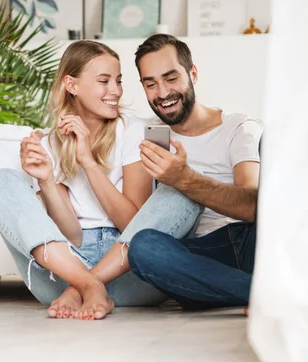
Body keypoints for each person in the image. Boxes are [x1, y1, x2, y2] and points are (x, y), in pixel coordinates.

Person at [0, 40, 202, 320]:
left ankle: (85, 286)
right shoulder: (49, 142)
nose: (116, 91)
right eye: (104, 81)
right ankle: (88, 285)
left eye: (118, 81)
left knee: (186, 188)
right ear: (71, 85)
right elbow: (71, 235)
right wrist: (46, 181)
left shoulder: (141, 130)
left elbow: (135, 227)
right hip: (63, 273)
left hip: (132, 274)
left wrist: (87, 160)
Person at [94, 33, 262, 310]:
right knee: (144, 247)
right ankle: (256, 292)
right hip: (191, 255)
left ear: (193, 74)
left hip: (243, 241)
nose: (162, 93)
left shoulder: (238, 128)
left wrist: (184, 180)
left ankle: (233, 290)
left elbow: (252, 206)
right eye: (151, 84)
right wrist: (47, 139)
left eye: (171, 79)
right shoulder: (141, 132)